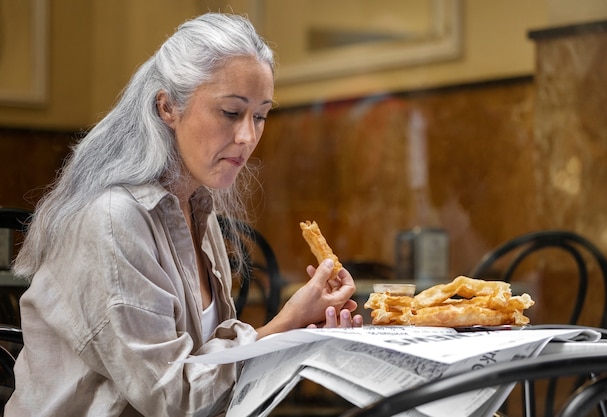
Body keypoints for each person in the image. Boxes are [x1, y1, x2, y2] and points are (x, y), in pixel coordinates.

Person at [5, 12, 362, 417]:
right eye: (230, 112)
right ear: (167, 107)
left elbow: (208, 365)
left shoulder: (196, 207)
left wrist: (299, 328)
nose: (247, 137)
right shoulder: (112, 219)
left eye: (260, 116)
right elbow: (172, 398)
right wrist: (285, 324)